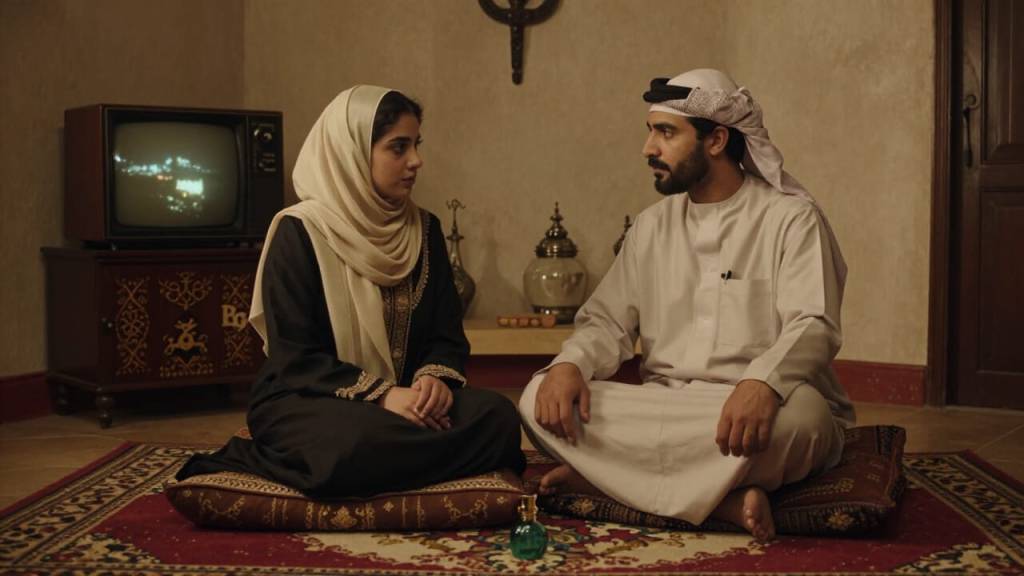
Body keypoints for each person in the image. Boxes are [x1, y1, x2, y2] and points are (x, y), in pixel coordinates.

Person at [519, 69, 854, 542]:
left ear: (716, 140)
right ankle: (725, 502)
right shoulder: (651, 226)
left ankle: (608, 483)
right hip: (668, 407)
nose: (648, 148)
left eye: (665, 132)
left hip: (756, 408)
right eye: (650, 132)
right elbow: (607, 322)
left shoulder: (790, 219)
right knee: (538, 397)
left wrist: (763, 382)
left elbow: (813, 322)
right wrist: (571, 363)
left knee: (807, 420)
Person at [176, 85, 526, 497]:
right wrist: (383, 397)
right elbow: (295, 357)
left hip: (408, 402)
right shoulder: (300, 231)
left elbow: (445, 335)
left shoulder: (425, 230)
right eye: (399, 147)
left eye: (416, 145)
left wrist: (434, 380)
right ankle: (296, 458)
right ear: (353, 153)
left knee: (499, 418)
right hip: (308, 399)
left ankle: (360, 466)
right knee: (350, 447)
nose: (416, 160)